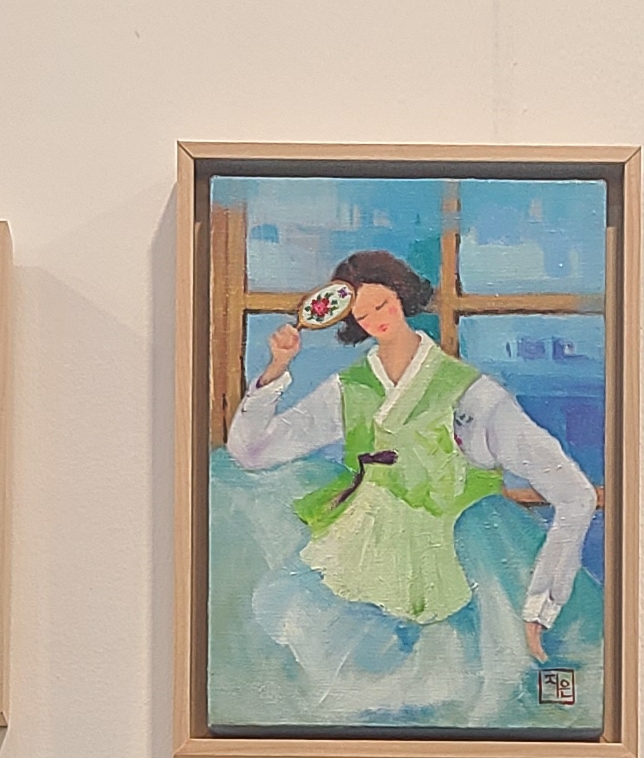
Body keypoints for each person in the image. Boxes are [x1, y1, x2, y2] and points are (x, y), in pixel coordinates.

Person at [223, 250, 597, 673]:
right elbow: (250, 452)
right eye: (363, 315)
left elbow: (576, 495)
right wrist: (277, 368)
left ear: (401, 295)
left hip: (457, 566)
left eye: (382, 304)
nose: (376, 319)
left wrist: (540, 607)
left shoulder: (468, 394)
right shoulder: (350, 388)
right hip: (357, 556)